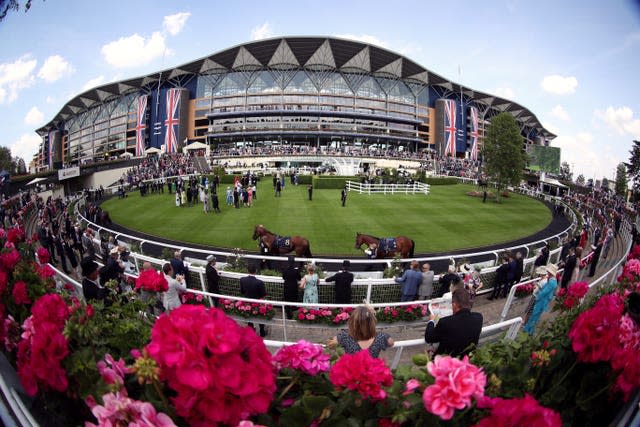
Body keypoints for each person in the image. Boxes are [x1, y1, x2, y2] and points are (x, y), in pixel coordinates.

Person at [424, 288, 483, 357]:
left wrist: (431, 321)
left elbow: (429, 338)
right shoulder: (478, 317)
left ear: (454, 305)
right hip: (466, 358)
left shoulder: (445, 322)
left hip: (446, 361)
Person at [328, 306, 394, 358]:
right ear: (372, 322)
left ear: (352, 322)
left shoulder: (345, 336)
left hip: (351, 373)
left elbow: (331, 345)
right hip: (372, 373)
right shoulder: (380, 337)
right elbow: (391, 343)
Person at [523, 264, 558, 334]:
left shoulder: (552, 282)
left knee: (535, 314)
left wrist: (538, 296)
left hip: (542, 300)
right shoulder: (552, 280)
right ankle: (529, 329)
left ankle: (529, 330)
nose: (547, 272)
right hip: (543, 299)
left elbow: (544, 292)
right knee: (535, 314)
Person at [240, 263, 268, 337]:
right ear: (256, 271)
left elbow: (242, 291)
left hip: (247, 302)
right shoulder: (260, 282)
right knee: (260, 316)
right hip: (257, 302)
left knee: (249, 317)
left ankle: (251, 331)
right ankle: (262, 331)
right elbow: (263, 294)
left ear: (247, 271)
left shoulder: (242, 280)